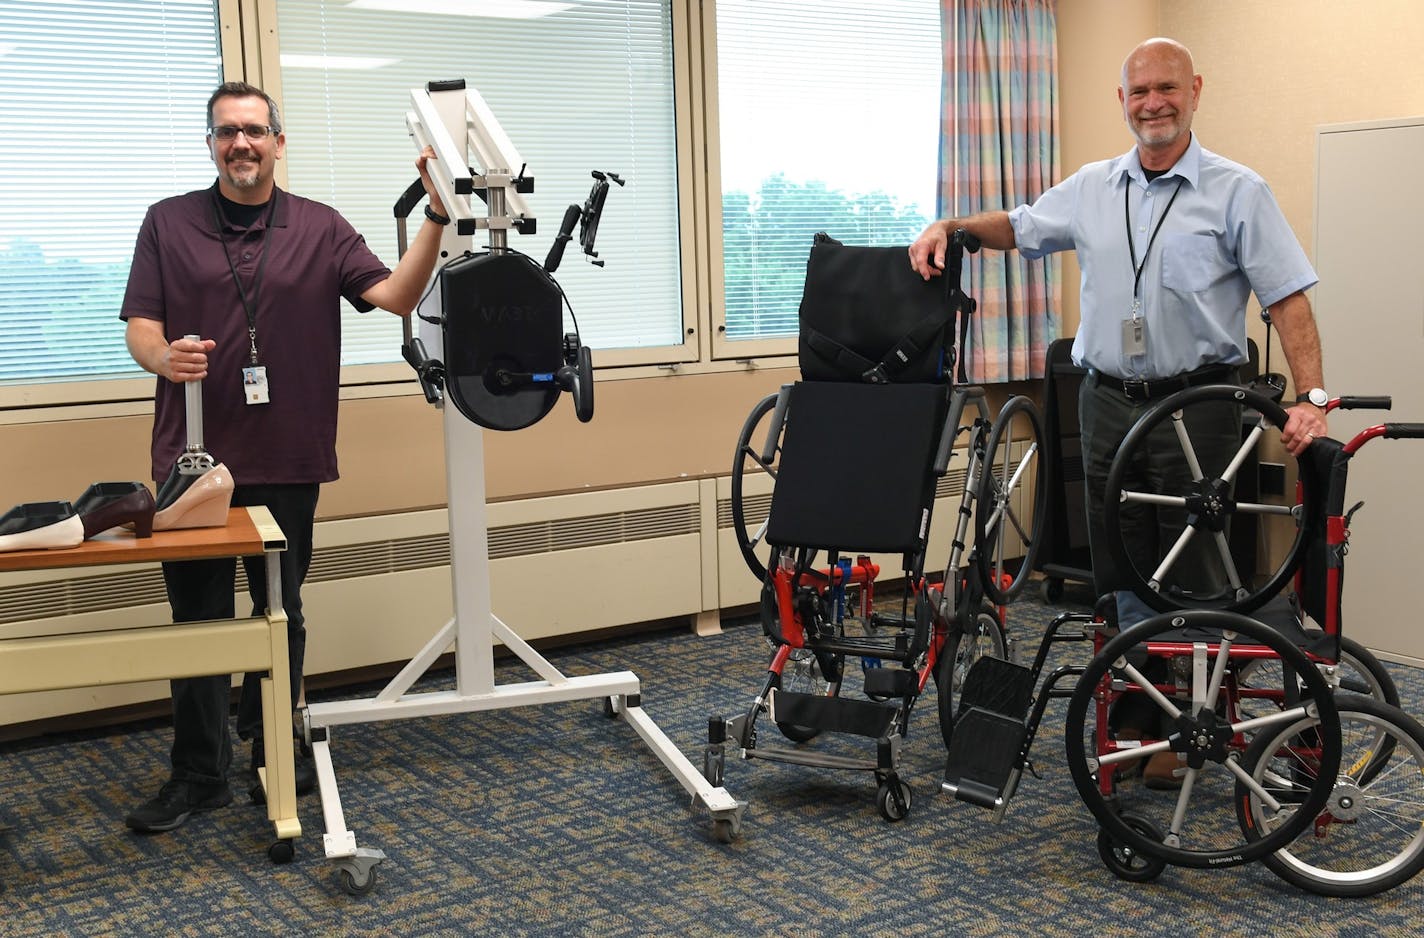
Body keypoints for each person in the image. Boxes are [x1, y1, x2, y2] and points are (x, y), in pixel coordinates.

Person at [909, 38, 1329, 787]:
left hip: (1196, 405)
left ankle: (1193, 731)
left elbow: (1288, 296)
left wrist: (1313, 396)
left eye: (1166, 88)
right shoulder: (1094, 186)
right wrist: (954, 228)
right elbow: (1021, 225)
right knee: (1118, 563)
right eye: (1139, 92)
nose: (1153, 104)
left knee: (1193, 569)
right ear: (1123, 101)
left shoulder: (1237, 191)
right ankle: (1132, 721)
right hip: (1106, 401)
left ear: (1194, 90)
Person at [119, 81, 450, 833]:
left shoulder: (321, 228)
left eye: (255, 131)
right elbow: (141, 325)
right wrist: (162, 358)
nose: (242, 143)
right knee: (199, 618)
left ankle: (271, 742)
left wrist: (435, 214)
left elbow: (397, 296)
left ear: (278, 141)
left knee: (281, 612)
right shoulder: (167, 224)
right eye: (227, 132)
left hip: (289, 455)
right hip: (194, 461)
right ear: (211, 144)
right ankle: (199, 773)